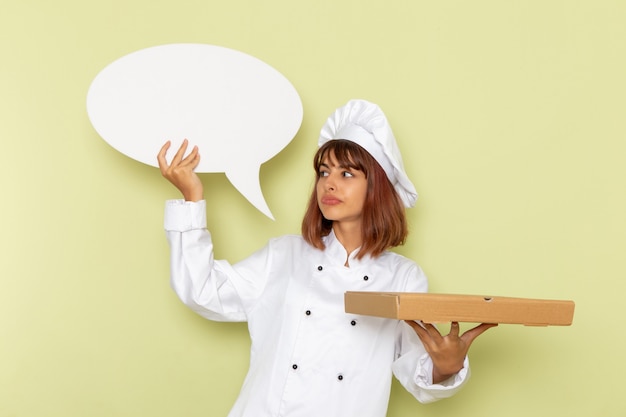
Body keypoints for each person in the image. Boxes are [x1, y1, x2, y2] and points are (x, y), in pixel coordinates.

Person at [157, 99, 496, 417]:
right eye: (323, 172)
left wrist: (446, 367)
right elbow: (203, 291)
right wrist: (192, 199)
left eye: (346, 174)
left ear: (376, 187)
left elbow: (416, 368)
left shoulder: (403, 277)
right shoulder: (284, 255)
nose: (329, 184)